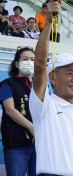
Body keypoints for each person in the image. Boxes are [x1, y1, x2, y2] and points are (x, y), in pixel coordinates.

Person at [29, 0, 73, 175]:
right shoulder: (44, 105)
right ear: (52, 77)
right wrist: (49, 20)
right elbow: (40, 65)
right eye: (69, 73)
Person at [0, 47, 36, 176]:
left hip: (39, 145)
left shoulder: (40, 86)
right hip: (16, 143)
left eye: (32, 59)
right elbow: (10, 110)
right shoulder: (8, 84)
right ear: (17, 63)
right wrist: (31, 127)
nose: (30, 62)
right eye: (25, 59)